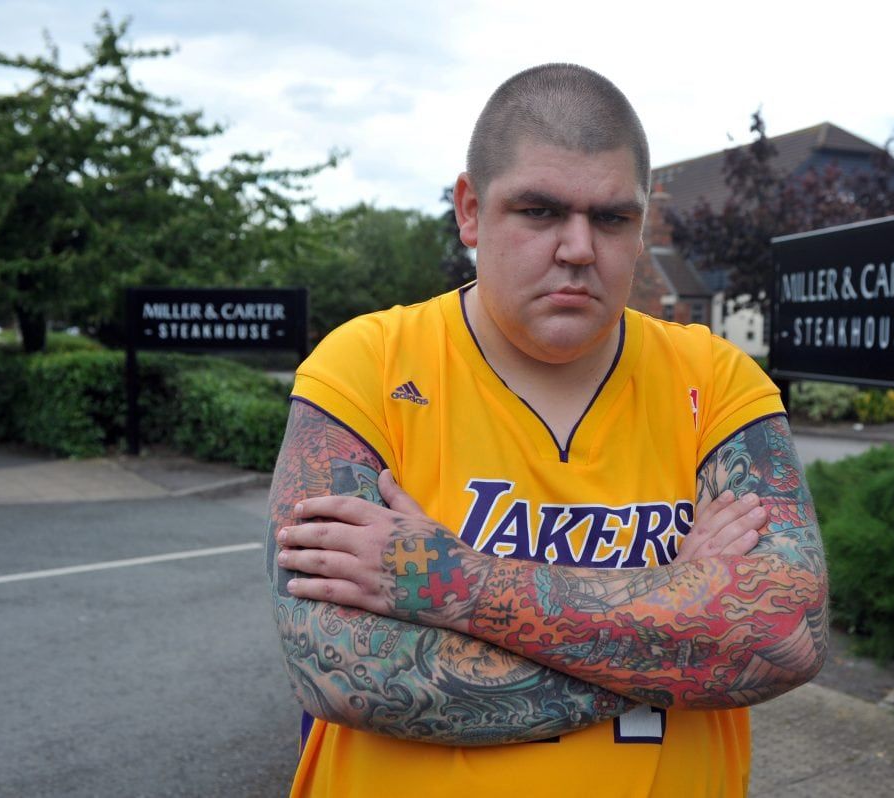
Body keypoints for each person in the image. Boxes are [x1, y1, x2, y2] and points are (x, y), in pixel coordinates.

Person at [265, 63, 828, 798]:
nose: (579, 248)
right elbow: (343, 671)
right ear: (470, 211)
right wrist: (678, 619)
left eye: (612, 218)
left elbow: (786, 635)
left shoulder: (715, 380)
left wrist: (453, 581)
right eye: (538, 211)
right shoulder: (367, 368)